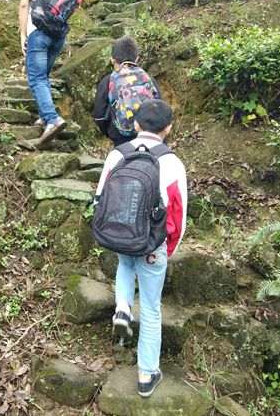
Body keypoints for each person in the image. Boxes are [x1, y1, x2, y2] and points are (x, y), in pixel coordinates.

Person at [94, 99, 187, 397]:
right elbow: (178, 215)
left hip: (121, 232)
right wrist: (167, 249)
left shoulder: (117, 154)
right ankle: (147, 374)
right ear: (168, 128)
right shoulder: (172, 163)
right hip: (152, 242)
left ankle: (122, 308)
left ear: (135, 124)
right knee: (150, 307)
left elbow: (100, 198)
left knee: (124, 264)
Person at [18, 0, 68, 146]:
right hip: (58, 37)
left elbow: (24, 4)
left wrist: (23, 34)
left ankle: (52, 119)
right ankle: (45, 115)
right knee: (43, 77)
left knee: (37, 78)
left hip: (38, 34)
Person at [93, 37, 161, 147]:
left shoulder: (108, 81)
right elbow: (159, 105)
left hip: (121, 138)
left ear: (112, 59)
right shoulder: (147, 78)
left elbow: (99, 116)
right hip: (149, 135)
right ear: (136, 59)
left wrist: (111, 132)